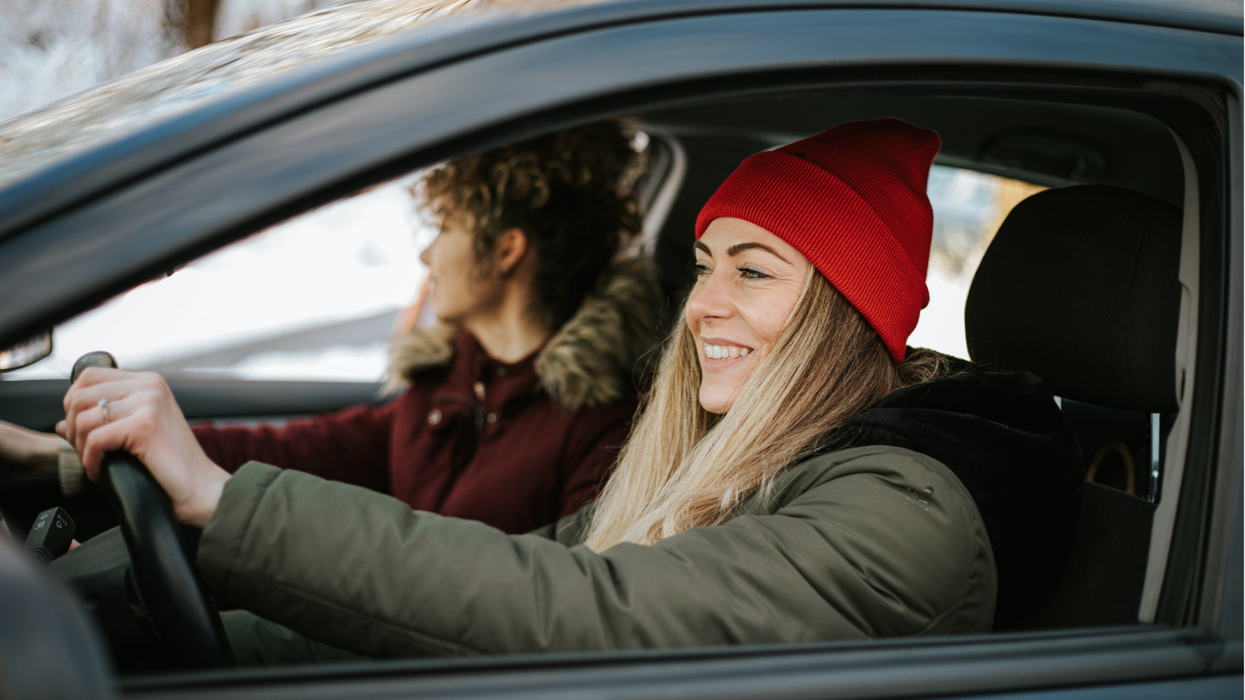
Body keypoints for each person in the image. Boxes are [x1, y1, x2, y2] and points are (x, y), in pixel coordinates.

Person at [58, 118, 1083, 659]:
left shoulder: (907, 508)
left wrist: (223, 503)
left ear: (839, 314)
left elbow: (589, 611)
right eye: (705, 263)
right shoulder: (752, 457)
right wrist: (146, 613)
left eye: (753, 270)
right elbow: (534, 563)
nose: (700, 306)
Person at [1, 122, 662, 535]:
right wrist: (63, 455)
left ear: (508, 250)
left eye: (445, 229)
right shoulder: (452, 384)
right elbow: (297, 449)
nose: (427, 256)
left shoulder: (603, 429)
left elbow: (559, 605)